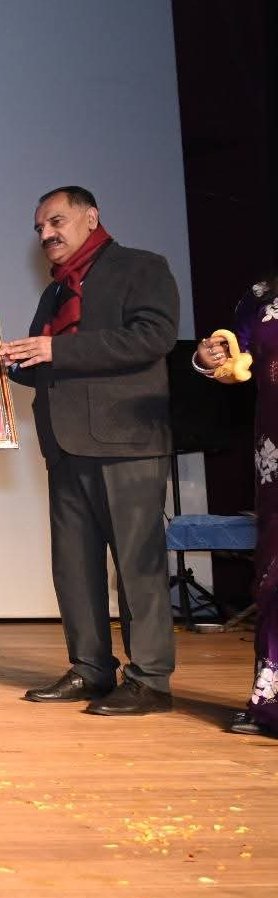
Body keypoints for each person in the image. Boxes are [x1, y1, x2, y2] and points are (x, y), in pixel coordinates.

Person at [3, 186, 179, 716]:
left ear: (90, 217)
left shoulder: (142, 267)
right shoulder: (54, 293)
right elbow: (44, 363)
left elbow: (155, 337)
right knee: (73, 565)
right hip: (64, 444)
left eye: (55, 221)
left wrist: (57, 348)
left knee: (136, 563)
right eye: (39, 229)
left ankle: (149, 679)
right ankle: (90, 669)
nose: (47, 234)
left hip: (126, 440)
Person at [194, 291, 278, 738]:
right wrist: (208, 357)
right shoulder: (261, 300)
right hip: (277, 456)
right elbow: (229, 361)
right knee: (276, 575)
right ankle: (271, 703)